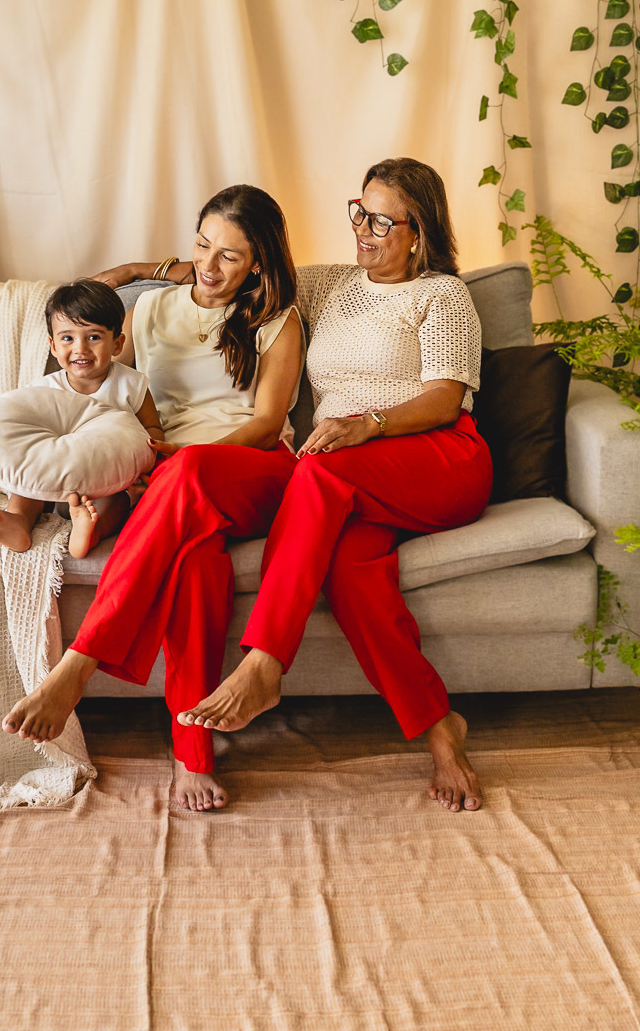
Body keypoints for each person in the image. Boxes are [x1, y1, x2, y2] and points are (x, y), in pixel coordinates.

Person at [177, 158, 494, 814]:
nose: (364, 231)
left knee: (313, 471)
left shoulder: (442, 296)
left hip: (438, 458)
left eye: (381, 220)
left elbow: (441, 399)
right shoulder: (328, 287)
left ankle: (265, 661)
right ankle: (442, 732)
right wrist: (129, 274)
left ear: (419, 231)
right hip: (353, 477)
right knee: (352, 572)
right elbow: (234, 261)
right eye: (360, 212)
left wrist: (366, 424)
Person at [1, 186, 304, 812]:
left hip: (251, 470)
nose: (211, 266)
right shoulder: (149, 310)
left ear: (260, 264)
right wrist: (142, 271)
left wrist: (179, 458)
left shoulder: (274, 318)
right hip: (169, 479)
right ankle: (192, 752)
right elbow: (79, 310)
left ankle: (79, 665)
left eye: (231, 256)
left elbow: (271, 421)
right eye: (202, 246)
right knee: (196, 562)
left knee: (189, 470)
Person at [0, 279, 162, 558]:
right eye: (67, 338)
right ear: (53, 346)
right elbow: (16, 424)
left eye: (94, 337)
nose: (80, 348)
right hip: (50, 483)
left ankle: (90, 531)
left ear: (117, 343)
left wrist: (148, 463)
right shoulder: (44, 390)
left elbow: (153, 427)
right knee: (27, 485)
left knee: (120, 502)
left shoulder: (131, 384)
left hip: (103, 485)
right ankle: (18, 522)